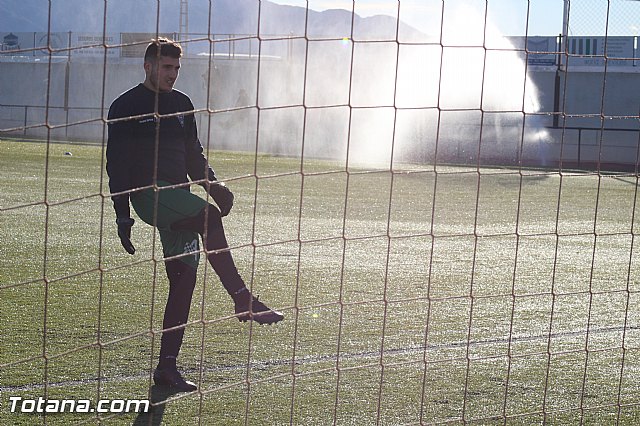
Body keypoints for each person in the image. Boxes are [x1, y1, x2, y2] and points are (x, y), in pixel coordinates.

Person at [106, 38, 284, 393]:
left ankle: (166, 369)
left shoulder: (183, 105)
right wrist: (122, 216)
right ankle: (242, 298)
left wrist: (213, 185)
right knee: (211, 220)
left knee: (183, 282)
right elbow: (117, 164)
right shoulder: (126, 105)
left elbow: (193, 155)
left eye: (176, 68)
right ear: (148, 66)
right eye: (166, 67)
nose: (171, 74)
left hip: (179, 197)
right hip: (149, 194)